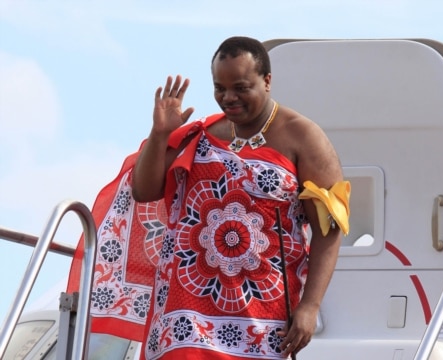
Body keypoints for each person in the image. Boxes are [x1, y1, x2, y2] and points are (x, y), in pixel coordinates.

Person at [68, 36, 350, 359]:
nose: (229, 98)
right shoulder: (202, 134)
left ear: (267, 81)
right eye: (220, 88)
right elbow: (144, 191)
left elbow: (329, 231)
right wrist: (159, 135)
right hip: (184, 316)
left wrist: (310, 306)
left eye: (241, 87)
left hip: (261, 317)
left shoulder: (304, 137)